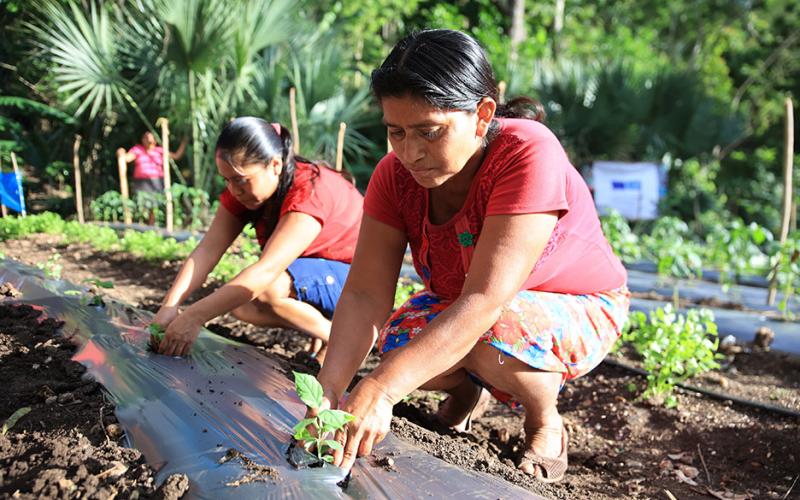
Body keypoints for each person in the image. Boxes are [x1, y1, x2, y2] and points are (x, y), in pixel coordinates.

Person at [310, 30, 629, 482]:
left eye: (430, 132)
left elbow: (485, 299)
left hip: (575, 303)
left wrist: (380, 391)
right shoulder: (393, 176)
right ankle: (465, 394)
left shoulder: (526, 153)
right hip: (469, 303)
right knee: (399, 346)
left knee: (488, 331)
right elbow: (363, 293)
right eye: (395, 132)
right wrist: (328, 391)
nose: (410, 152)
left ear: (482, 115)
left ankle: (544, 422)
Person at [151, 117, 363, 362]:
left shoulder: (309, 192)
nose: (234, 190)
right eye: (227, 180)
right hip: (314, 273)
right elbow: (207, 250)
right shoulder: (243, 191)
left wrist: (194, 316)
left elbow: (267, 270)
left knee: (264, 290)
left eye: (241, 180)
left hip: (358, 281)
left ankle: (344, 341)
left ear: (275, 165)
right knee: (241, 303)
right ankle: (328, 337)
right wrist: (169, 306)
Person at [117, 131, 187, 194]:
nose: (147, 139)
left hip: (157, 181)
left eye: (149, 137)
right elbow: (127, 158)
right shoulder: (137, 149)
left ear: (155, 140)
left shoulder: (160, 150)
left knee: (156, 203)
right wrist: (121, 153)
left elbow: (176, 156)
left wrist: (184, 142)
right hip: (141, 182)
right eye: (145, 137)